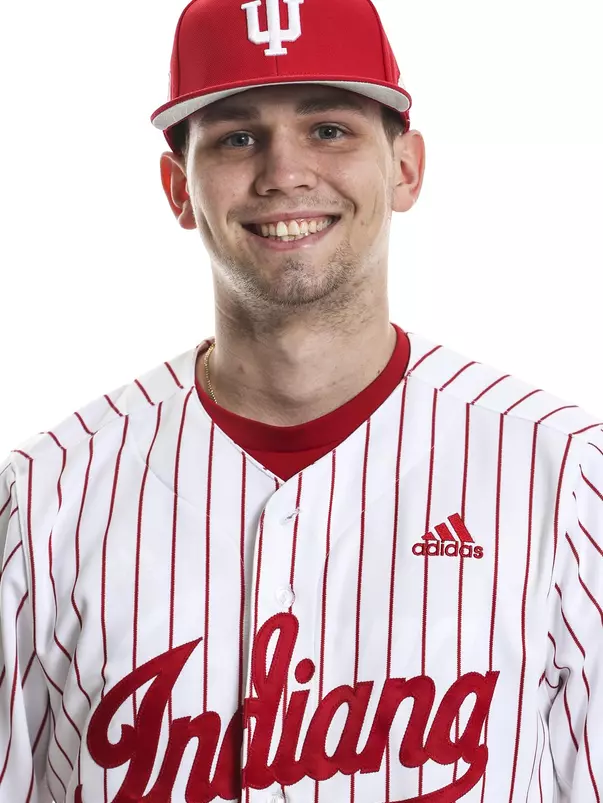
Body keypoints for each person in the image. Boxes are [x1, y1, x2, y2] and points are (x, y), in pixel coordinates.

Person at [1, 0, 601, 800]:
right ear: (178, 189)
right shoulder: (44, 497)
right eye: (237, 137)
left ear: (406, 168)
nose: (284, 172)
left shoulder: (562, 477)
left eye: (328, 129)